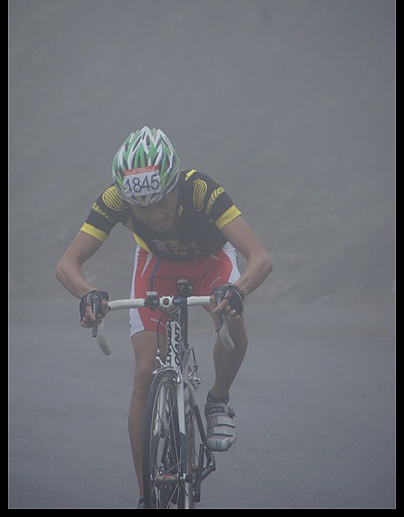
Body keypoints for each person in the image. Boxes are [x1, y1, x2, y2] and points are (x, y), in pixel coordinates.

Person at [56, 126, 272, 508]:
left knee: (232, 319)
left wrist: (237, 290)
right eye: (141, 208)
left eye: (161, 202)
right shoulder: (115, 198)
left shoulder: (200, 189)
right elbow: (67, 264)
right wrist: (87, 293)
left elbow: (260, 258)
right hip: (157, 265)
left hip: (211, 261)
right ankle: (146, 496)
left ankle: (218, 399)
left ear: (174, 185)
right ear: (127, 199)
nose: (154, 215)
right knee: (144, 373)